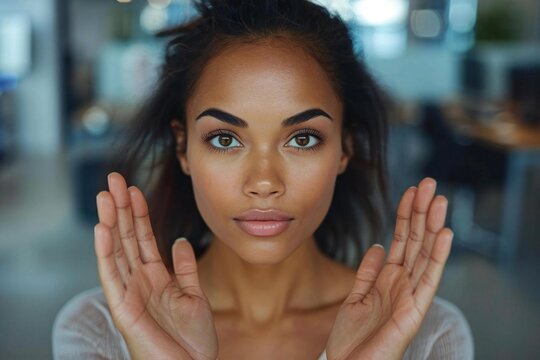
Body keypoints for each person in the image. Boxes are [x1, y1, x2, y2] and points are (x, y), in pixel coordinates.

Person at [53, 0, 474, 359]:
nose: (264, 182)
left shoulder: (426, 333)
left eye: (303, 138)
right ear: (183, 149)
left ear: (344, 148)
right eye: (224, 138)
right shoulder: (100, 331)